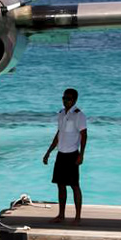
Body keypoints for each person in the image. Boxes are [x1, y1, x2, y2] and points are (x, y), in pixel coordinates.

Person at [42, 88, 88, 221]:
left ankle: (77, 217)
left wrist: (82, 155)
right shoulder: (61, 113)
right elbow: (58, 134)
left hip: (72, 154)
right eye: (64, 98)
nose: (65, 101)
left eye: (68, 98)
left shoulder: (79, 115)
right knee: (60, 185)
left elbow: (84, 135)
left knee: (74, 185)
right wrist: (48, 152)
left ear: (74, 100)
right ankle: (61, 215)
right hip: (60, 154)